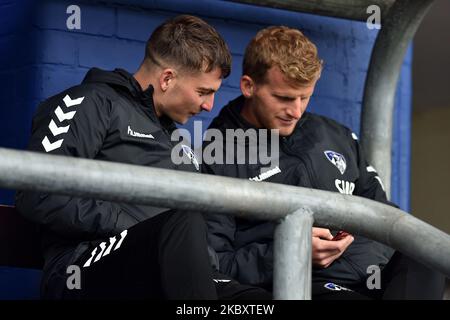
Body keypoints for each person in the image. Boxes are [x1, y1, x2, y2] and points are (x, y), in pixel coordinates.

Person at [15, 15, 268, 300]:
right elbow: (37, 193)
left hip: (171, 270)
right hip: (83, 267)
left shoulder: (178, 143)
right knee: (181, 221)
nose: (208, 106)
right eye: (203, 92)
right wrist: (142, 227)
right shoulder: (92, 103)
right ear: (167, 78)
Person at [203, 26, 445, 299]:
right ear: (249, 86)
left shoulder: (335, 134)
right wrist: (290, 251)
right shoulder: (218, 154)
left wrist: (357, 249)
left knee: (427, 254)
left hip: (372, 278)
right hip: (302, 286)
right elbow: (215, 265)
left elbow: (385, 220)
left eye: (304, 97)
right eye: (283, 98)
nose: (295, 111)